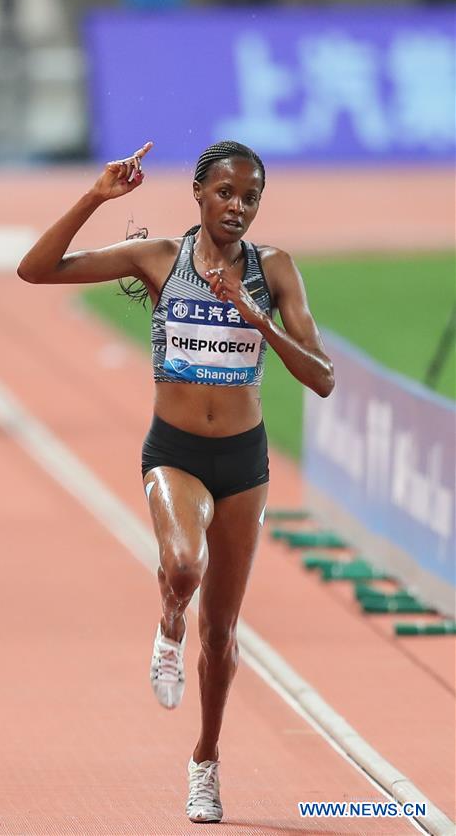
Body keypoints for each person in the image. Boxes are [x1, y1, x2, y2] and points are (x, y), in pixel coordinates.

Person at [17, 140, 334, 823]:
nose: (238, 208)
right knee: (183, 564)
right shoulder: (161, 258)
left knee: (221, 635)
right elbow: (34, 270)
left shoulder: (274, 271)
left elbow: (323, 377)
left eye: (250, 198)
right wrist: (96, 197)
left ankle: (205, 760)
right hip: (176, 452)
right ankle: (167, 625)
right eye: (226, 193)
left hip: (244, 463)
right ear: (198, 193)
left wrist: (256, 320)